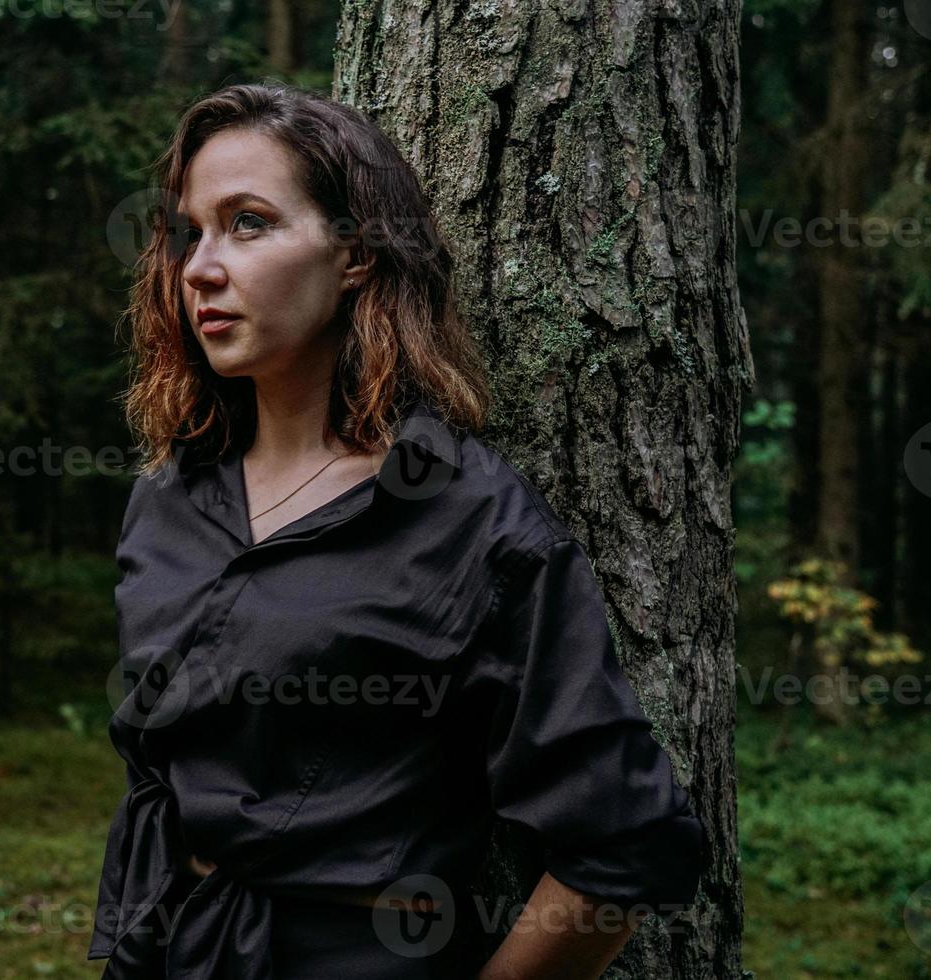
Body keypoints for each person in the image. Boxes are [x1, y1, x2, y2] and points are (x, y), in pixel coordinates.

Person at [88, 82, 705, 980]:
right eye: (191, 231)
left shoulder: (464, 519)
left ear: (355, 256)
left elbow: (625, 841)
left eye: (249, 223)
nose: (199, 268)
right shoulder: (171, 497)